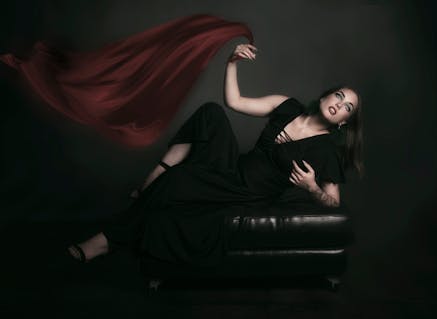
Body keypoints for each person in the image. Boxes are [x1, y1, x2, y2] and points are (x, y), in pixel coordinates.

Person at [68, 43, 364, 266]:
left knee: (177, 181)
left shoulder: (325, 151)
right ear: (326, 96)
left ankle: (106, 241)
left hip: (247, 194)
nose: (340, 104)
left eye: (347, 107)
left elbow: (334, 204)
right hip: (232, 169)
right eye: (339, 96)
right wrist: (231, 62)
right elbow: (233, 101)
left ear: (343, 122)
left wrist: (311, 186)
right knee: (212, 113)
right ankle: (157, 172)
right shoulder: (288, 105)